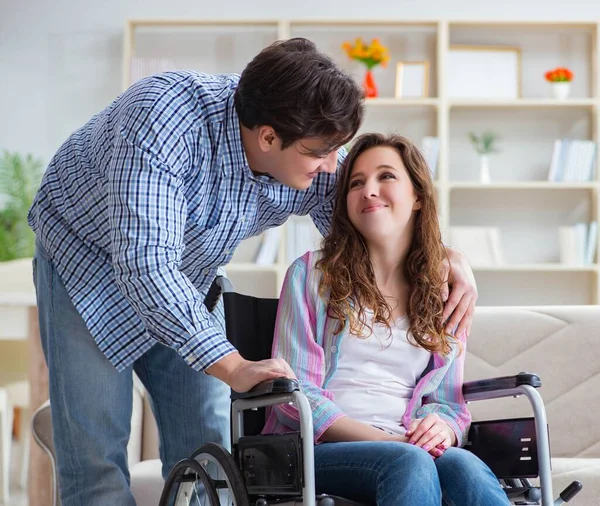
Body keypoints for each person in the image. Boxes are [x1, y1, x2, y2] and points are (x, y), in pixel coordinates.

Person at [28, 38, 477, 505]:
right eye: (322, 152)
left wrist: (446, 258)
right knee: (96, 456)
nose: (333, 167)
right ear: (267, 138)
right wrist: (235, 366)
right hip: (88, 266)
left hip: (188, 275)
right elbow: (146, 265)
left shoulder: (304, 144)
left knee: (207, 456)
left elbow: (374, 228)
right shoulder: (160, 121)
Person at [264, 133, 506, 506]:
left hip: (405, 444)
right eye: (356, 183)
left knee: (465, 467)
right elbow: (293, 396)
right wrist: (391, 442)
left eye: (386, 176)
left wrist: (438, 429)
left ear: (418, 196)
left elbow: (450, 404)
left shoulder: (445, 290)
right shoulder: (310, 275)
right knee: (409, 461)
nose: (369, 190)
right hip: (315, 450)